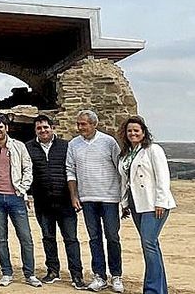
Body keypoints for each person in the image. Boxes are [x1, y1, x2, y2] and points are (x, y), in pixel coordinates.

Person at [0, 114, 42, 288]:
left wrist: (22, 189)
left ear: (7, 128)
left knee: (25, 237)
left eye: (1, 127)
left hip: (16, 197)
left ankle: (30, 274)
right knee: (1, 238)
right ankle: (7, 272)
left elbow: (28, 168)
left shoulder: (18, 146)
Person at [66, 110, 124, 293]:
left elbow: (120, 168)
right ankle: (99, 276)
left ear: (94, 124)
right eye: (78, 124)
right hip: (87, 198)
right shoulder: (74, 144)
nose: (80, 127)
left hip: (109, 198)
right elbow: (70, 171)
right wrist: (74, 196)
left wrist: (123, 198)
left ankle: (116, 276)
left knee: (112, 238)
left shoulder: (108, 142)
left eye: (83, 124)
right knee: (94, 238)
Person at [25, 115, 84, 288]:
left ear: (52, 128)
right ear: (35, 130)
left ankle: (77, 274)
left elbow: (74, 170)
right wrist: (27, 194)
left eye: (45, 127)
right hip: (43, 202)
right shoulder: (29, 148)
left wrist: (75, 196)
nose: (43, 131)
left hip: (65, 201)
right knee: (48, 238)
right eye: (39, 128)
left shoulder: (66, 146)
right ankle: (52, 271)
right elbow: (27, 172)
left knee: (71, 239)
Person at [118, 116, 175, 294]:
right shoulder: (126, 154)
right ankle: (159, 289)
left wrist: (160, 201)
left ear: (143, 132)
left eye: (136, 130)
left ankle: (152, 290)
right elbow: (126, 181)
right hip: (136, 204)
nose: (133, 133)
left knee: (148, 243)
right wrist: (125, 202)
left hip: (153, 203)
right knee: (150, 245)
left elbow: (163, 177)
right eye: (129, 131)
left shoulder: (152, 150)